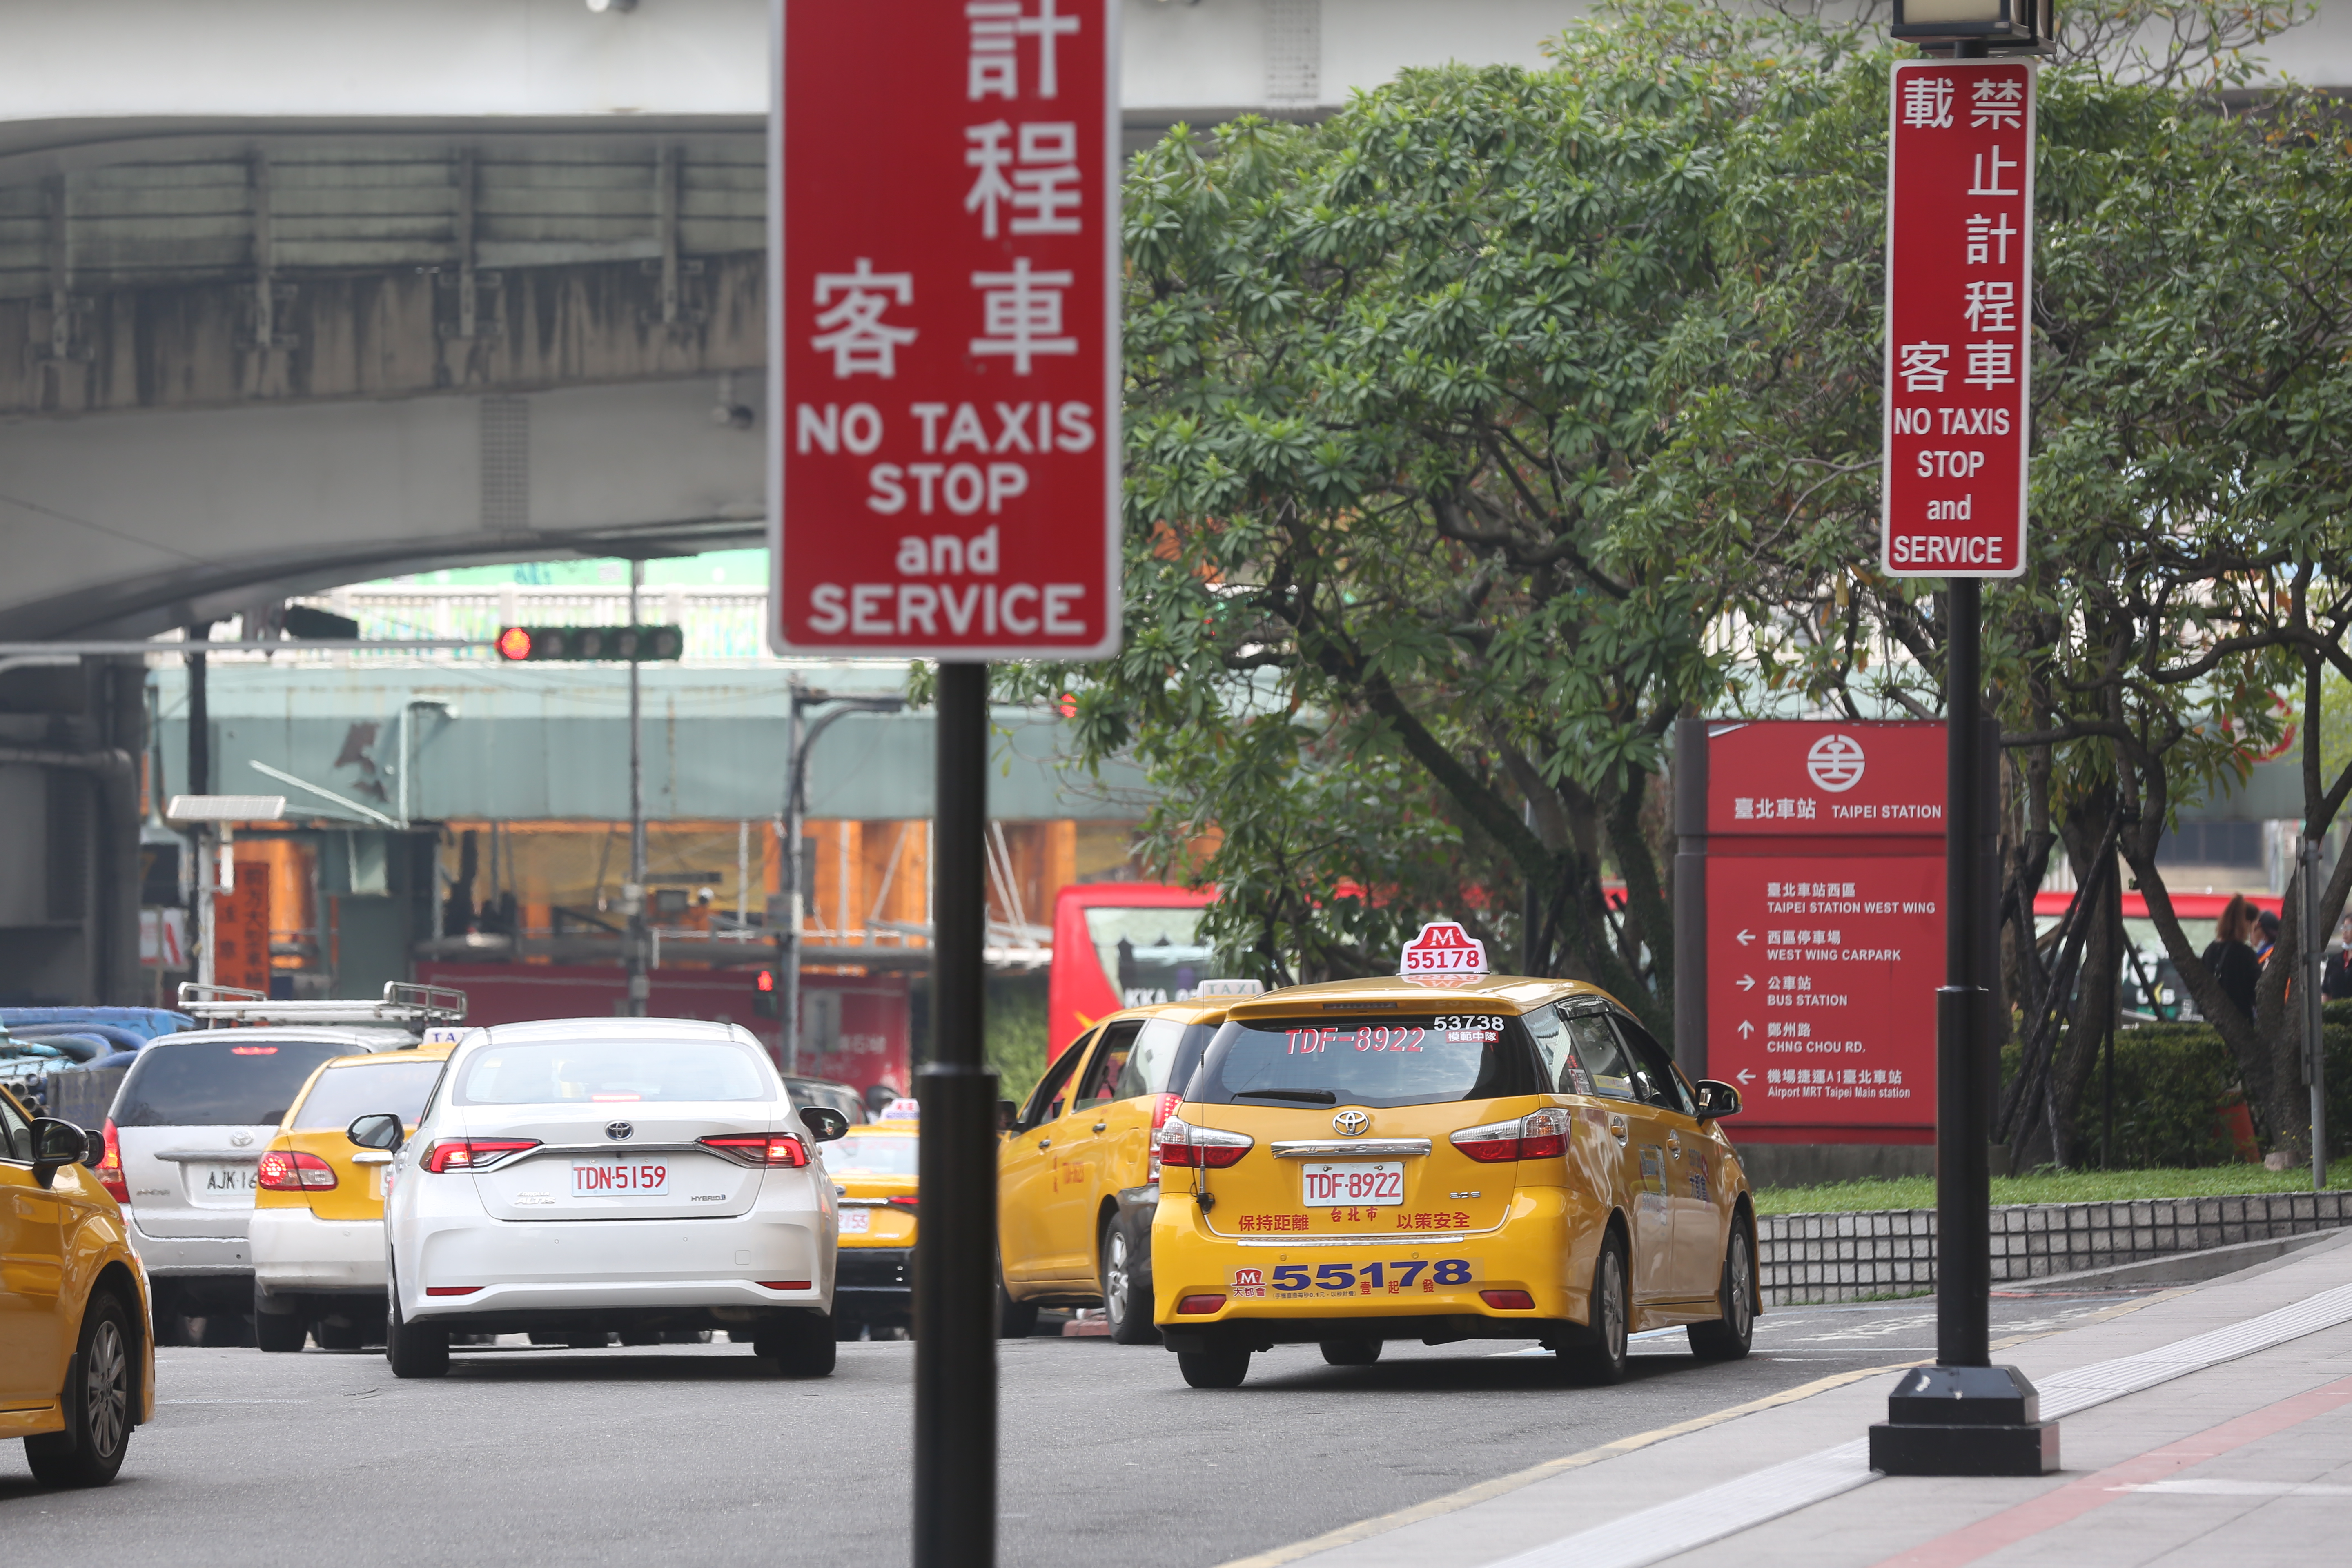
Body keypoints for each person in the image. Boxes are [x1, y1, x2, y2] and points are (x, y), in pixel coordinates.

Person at [2202, 894, 2263, 1023]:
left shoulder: (2210, 950)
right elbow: (2257, 990)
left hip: (2214, 1019)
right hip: (2240, 1020)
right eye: (2254, 926)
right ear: (2247, 924)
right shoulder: (2246, 954)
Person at [2325, 913, 2352, 1002]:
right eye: (2343, 928)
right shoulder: (2335, 961)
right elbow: (2326, 991)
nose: (2344, 932)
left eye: (2348, 928)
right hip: (2337, 1013)